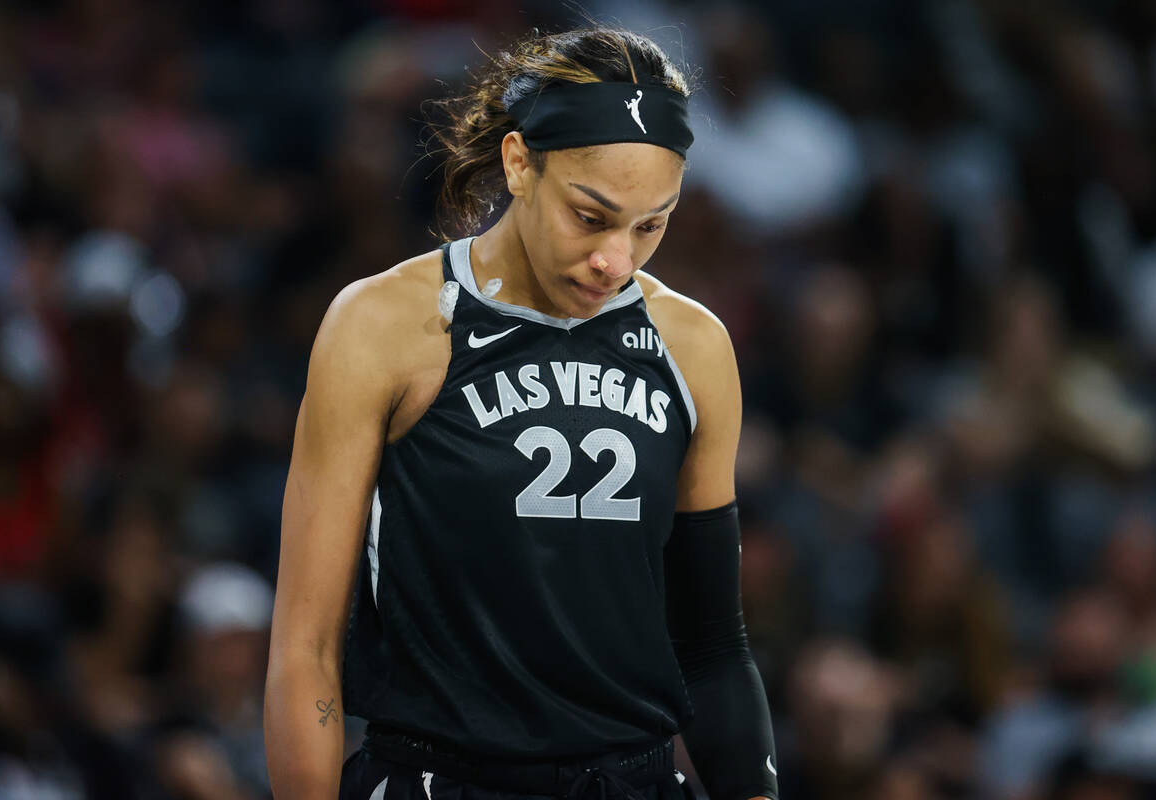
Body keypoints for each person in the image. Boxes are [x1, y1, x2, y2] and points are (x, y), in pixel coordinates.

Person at [264, 25, 781, 800]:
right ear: (518, 163)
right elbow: (307, 647)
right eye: (591, 215)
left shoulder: (694, 346)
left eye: (651, 224)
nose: (618, 258)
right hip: (439, 777)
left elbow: (711, 646)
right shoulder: (385, 324)